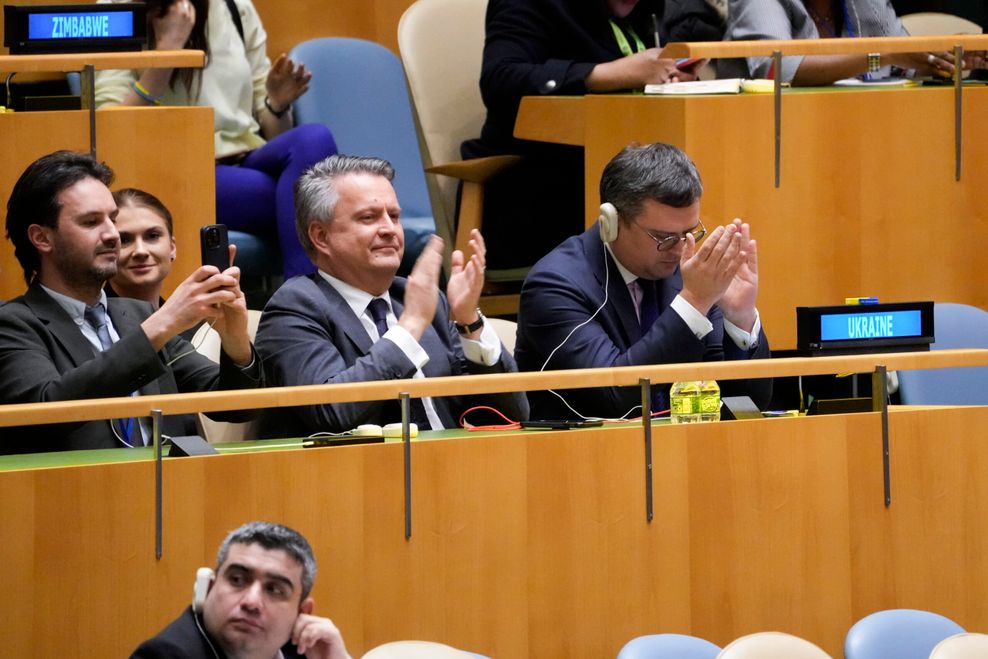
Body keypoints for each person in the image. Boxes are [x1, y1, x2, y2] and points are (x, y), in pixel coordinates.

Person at [0, 150, 262, 454]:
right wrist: (161, 325)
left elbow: (235, 408)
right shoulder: (14, 324)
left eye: (111, 219)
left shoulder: (138, 315)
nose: (112, 234)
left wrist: (236, 343)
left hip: (170, 491)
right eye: (90, 222)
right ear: (42, 238)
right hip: (75, 494)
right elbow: (46, 410)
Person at [254, 155, 529, 437]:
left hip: (452, 468)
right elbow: (332, 412)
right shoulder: (294, 308)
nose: (389, 229)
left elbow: (512, 415)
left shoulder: (421, 300)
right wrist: (409, 327)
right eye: (368, 217)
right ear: (321, 236)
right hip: (360, 475)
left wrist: (469, 322)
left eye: (394, 216)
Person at [514, 142, 772, 420]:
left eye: (689, 232)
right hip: (583, 455)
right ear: (610, 223)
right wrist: (694, 302)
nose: (679, 249)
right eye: (663, 237)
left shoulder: (685, 274)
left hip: (682, 454)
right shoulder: (554, 286)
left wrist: (739, 319)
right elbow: (616, 401)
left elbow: (745, 405)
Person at [95, 0, 338, 279]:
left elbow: (271, 130)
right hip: (172, 168)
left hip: (244, 158)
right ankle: (311, 294)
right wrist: (168, 52)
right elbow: (111, 130)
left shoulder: (235, 6)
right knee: (313, 198)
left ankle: (306, 297)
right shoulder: (117, 8)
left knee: (314, 138)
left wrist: (277, 104)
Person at [463, 0, 707, 270]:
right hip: (540, 197)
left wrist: (671, 77)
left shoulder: (650, 8)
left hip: (629, 189)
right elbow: (500, 80)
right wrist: (608, 74)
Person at [131, 521, 350, 659]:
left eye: (274, 590)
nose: (251, 601)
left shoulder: (305, 651)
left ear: (302, 613)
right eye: (237, 580)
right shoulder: (167, 654)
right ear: (208, 588)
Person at [718, 0, 950, 84]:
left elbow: (903, 63)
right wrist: (881, 56)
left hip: (862, 133)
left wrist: (943, 60)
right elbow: (779, 69)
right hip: (768, 134)